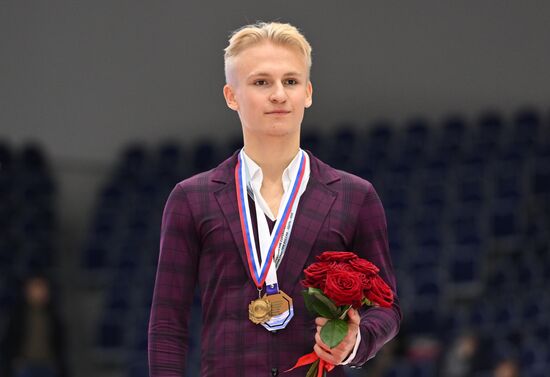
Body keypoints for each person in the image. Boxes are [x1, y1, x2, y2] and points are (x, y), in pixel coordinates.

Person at [148, 21, 401, 377]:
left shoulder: (354, 196)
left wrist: (356, 343)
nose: (279, 94)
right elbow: (167, 325)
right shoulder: (192, 198)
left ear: (308, 93)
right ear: (231, 96)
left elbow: (386, 306)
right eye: (261, 82)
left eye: (291, 81)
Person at [0, 274, 67, 377]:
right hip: (25, 365)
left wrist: (57, 364)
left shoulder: (54, 316)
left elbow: (60, 343)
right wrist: (15, 361)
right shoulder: (18, 315)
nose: (38, 292)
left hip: (48, 365)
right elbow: (9, 341)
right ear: (27, 291)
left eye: (41, 288)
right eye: (34, 288)